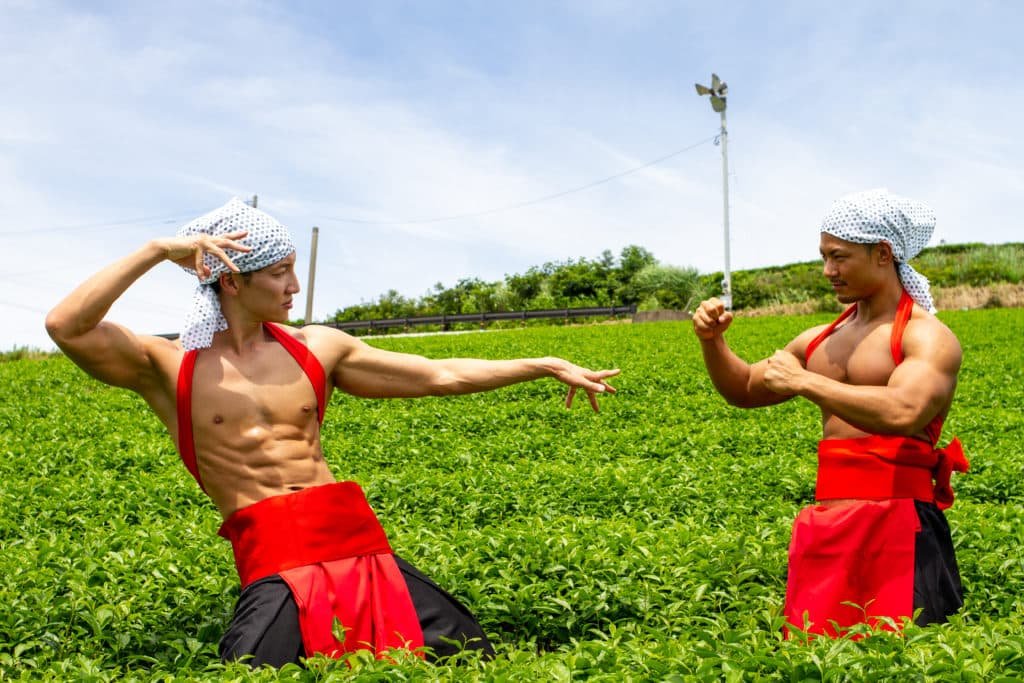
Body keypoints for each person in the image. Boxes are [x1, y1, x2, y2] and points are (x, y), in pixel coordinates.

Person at [45, 197, 619, 667]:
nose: (295, 285)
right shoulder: (167, 364)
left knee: (470, 655)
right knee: (251, 670)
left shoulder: (319, 346)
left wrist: (542, 364)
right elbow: (65, 325)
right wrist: (154, 249)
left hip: (354, 540)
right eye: (279, 273)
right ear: (233, 283)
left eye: (293, 268)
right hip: (272, 552)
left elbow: (441, 374)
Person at [692, 188, 968, 637]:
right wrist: (712, 341)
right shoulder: (819, 339)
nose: (827, 271)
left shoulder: (926, 337)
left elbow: (905, 411)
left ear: (883, 253)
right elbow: (743, 388)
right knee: (815, 656)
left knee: (910, 657)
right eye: (823, 256)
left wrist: (806, 382)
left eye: (839, 257)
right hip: (830, 521)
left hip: (901, 525)